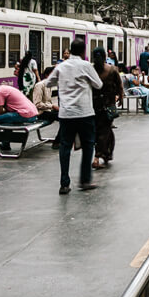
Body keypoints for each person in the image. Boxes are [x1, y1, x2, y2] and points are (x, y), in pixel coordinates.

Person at [46, 39, 103, 194]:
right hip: (84, 112)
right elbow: (99, 84)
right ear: (84, 51)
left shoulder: (61, 66)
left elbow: (48, 83)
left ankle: (64, 183)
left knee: (65, 147)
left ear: (70, 50)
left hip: (66, 113)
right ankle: (85, 180)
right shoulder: (86, 66)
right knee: (88, 146)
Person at [0, 80, 39, 157]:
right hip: (32, 114)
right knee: (5, 119)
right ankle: (5, 144)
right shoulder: (4, 88)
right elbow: (6, 111)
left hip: (24, 115)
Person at [91, 47, 122, 169]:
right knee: (104, 131)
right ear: (105, 57)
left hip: (93, 105)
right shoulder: (112, 69)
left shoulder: (91, 69)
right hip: (108, 105)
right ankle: (97, 157)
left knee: (99, 131)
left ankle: (105, 154)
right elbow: (119, 85)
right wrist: (121, 96)